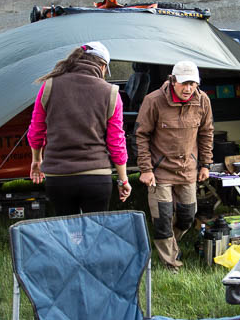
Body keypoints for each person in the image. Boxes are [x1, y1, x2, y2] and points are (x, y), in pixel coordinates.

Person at [27, 41, 131, 215]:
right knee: (95, 234)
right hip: (96, 176)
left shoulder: (49, 86)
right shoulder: (111, 93)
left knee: (67, 235)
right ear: (103, 66)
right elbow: (116, 142)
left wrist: (37, 160)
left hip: (58, 177)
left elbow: (36, 131)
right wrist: (123, 179)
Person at [136, 60, 214, 271]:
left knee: (188, 216)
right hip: (160, 171)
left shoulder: (203, 101)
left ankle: (170, 243)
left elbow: (206, 133)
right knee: (162, 218)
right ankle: (171, 263)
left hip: (188, 169)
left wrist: (205, 164)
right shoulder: (153, 101)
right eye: (184, 83)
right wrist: (145, 168)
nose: (188, 88)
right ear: (173, 81)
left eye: (193, 83)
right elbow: (141, 135)